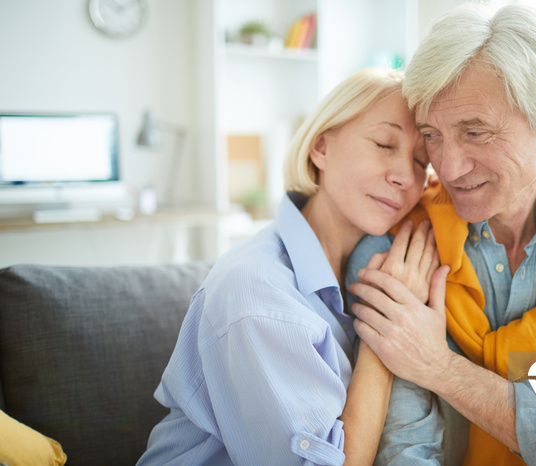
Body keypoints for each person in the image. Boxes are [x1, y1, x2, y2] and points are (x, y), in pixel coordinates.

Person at [347, 3, 536, 465]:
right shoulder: (398, 248)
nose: (448, 168)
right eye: (433, 134)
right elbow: (407, 452)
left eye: (476, 133)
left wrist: (443, 369)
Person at [137, 67, 447, 465]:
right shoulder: (258, 295)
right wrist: (387, 329)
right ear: (320, 147)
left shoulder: (377, 264)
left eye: (422, 162)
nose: (406, 175)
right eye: (385, 144)